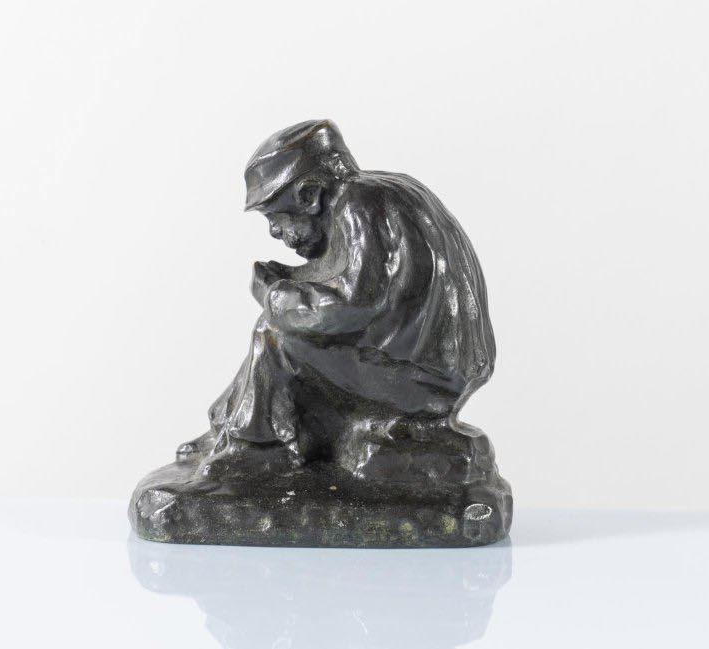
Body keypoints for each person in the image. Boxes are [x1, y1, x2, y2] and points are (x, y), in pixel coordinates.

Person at [178, 119, 496, 478]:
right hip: (432, 372)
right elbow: (363, 284)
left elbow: (351, 307)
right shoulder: (384, 191)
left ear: (309, 195)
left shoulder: (357, 202)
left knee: (275, 333)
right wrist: (292, 283)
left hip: (422, 383)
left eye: (276, 218)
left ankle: (256, 448)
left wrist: (274, 294)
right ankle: (229, 427)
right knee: (283, 325)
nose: (276, 233)